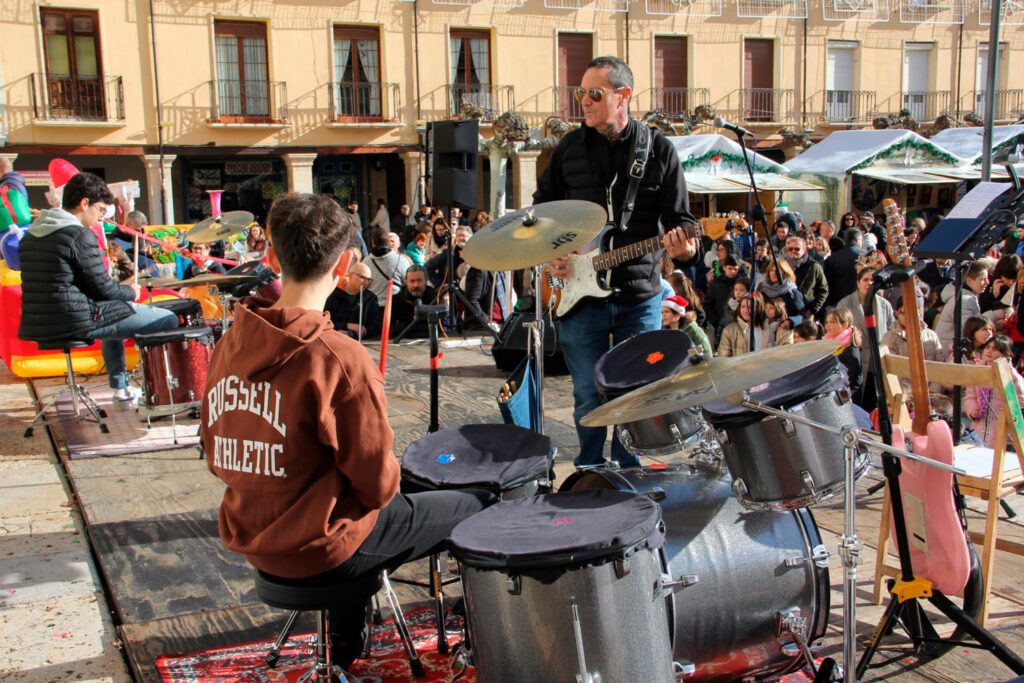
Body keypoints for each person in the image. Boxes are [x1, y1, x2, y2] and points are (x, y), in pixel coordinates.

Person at [200, 192, 494, 670]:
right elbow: (378, 486)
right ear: (344, 266)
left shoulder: (229, 343)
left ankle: (344, 644)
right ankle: (486, 641)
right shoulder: (338, 357)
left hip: (253, 536)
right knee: (480, 504)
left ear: (271, 256)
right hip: (324, 550)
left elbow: (217, 456)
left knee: (335, 488)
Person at [535, 55, 697, 468]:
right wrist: (553, 253)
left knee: (635, 391)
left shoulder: (659, 149)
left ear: (623, 96)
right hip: (578, 294)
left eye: (594, 94)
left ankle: (629, 471)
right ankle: (589, 469)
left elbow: (681, 221)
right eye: (580, 94)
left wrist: (685, 248)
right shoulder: (569, 148)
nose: (583, 102)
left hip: (639, 293)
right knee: (587, 393)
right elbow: (541, 213)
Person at [17, 172, 178, 407]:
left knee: (114, 311)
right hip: (75, 319)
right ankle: (158, 391)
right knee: (167, 319)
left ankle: (121, 389)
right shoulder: (79, 235)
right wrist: (132, 292)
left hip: (39, 321)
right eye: (101, 211)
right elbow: (104, 289)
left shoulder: (32, 235)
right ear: (84, 203)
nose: (101, 218)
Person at [965, 334, 1024, 447]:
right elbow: (970, 396)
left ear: (1006, 355)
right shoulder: (978, 372)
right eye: (987, 347)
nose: (989, 351)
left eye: (995, 349)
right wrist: (972, 410)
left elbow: (1021, 403)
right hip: (979, 428)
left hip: (1002, 431)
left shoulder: (1013, 378)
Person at [934, 261, 989, 353]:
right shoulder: (964, 301)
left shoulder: (965, 297)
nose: (987, 282)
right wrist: (994, 316)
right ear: (969, 280)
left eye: (987, 278)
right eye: (982, 279)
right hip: (952, 353)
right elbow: (967, 330)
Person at [325, 261, 382, 339]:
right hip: (332, 338)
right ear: (351, 276)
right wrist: (347, 326)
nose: (366, 282)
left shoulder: (370, 298)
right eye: (362, 277)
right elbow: (324, 321)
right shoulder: (332, 294)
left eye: (368, 279)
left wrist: (354, 333)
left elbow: (376, 326)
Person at [784, 235, 829, 320]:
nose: (793, 251)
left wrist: (812, 310)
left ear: (804, 250)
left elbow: (823, 291)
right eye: (790, 249)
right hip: (785, 312)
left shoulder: (814, 266)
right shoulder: (782, 265)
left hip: (805, 313)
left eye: (797, 249)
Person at [823, 307, 863, 400]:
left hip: (846, 397)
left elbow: (847, 379)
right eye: (827, 322)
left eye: (832, 322)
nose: (828, 325)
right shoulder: (828, 344)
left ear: (845, 325)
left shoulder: (851, 351)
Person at [390, 265, 438, 339]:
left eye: (419, 280)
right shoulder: (397, 300)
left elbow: (441, 325)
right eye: (412, 281)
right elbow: (390, 327)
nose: (416, 285)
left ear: (425, 280)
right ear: (406, 282)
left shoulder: (435, 298)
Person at [717, 293, 770, 357]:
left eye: (750, 307)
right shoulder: (729, 330)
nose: (746, 310)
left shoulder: (769, 328)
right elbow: (723, 356)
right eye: (743, 307)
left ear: (758, 308)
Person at [364, 226, 410, 300]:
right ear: (386, 242)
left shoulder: (365, 263)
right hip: (396, 304)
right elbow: (409, 283)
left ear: (372, 242)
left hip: (373, 306)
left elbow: (363, 286)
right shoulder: (402, 260)